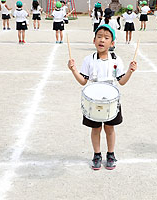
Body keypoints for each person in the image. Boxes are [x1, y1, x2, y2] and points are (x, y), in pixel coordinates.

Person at [67, 24, 137, 170]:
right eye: (99, 37)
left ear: (112, 43)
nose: (102, 40)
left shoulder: (116, 60)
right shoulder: (89, 59)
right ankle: (97, 154)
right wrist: (73, 70)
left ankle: (111, 154)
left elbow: (122, 82)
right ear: (94, 40)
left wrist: (130, 71)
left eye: (106, 38)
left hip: (111, 99)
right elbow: (83, 81)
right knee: (96, 129)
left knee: (110, 128)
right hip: (93, 99)